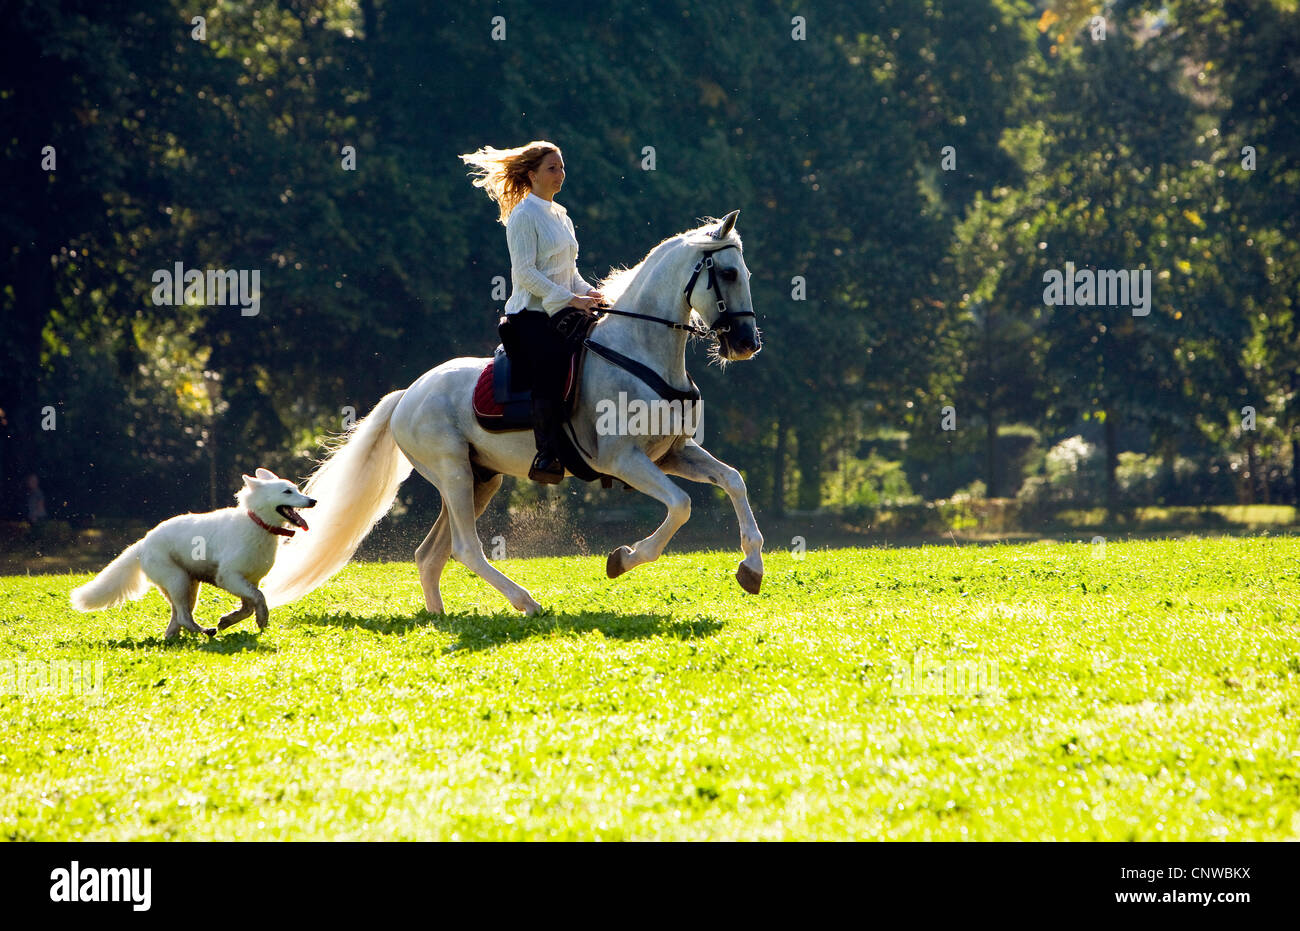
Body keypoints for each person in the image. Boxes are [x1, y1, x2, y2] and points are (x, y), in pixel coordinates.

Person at [459, 141, 604, 483]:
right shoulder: (524, 216)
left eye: (562, 167)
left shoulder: (562, 216)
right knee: (551, 370)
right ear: (532, 175)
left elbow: (569, 272)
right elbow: (525, 273)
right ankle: (547, 454)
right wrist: (569, 299)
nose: (560, 174)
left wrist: (588, 293)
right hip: (530, 319)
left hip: (563, 308)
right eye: (552, 168)